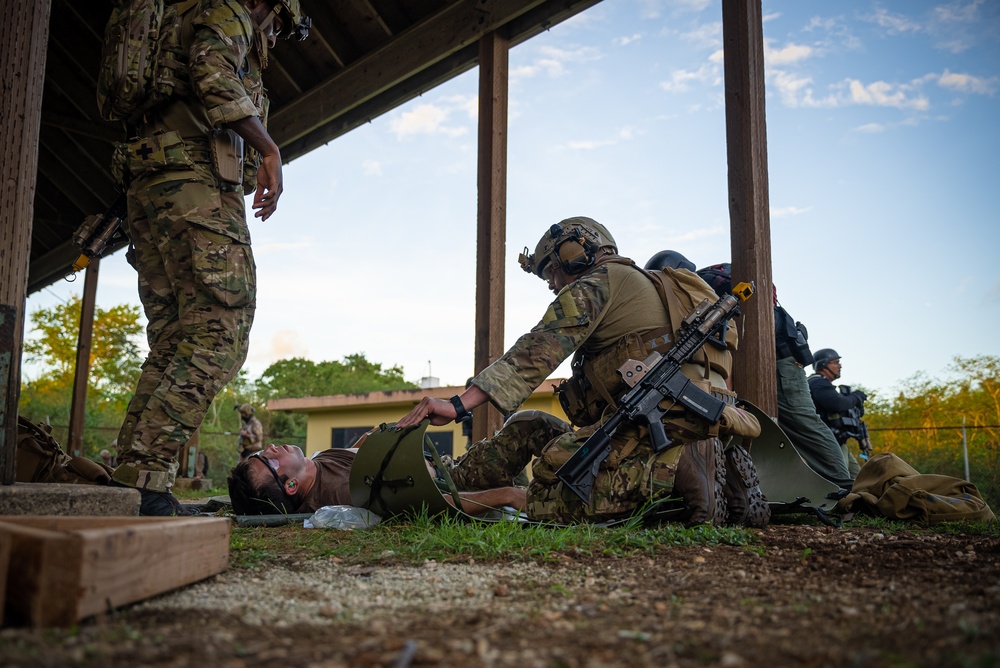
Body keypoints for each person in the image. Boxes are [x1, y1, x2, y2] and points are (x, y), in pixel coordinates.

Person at [396, 219, 766, 527]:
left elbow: (537, 349)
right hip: (689, 415)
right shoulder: (649, 289)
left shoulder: (600, 283)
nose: (553, 286)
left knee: (547, 496)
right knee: (529, 425)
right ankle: (448, 479)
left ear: (574, 255)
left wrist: (459, 405)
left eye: (551, 275)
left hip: (664, 426)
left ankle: (679, 472)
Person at [108, 0, 310, 515]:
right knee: (221, 331)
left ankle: (132, 481)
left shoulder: (172, 13)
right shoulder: (228, 8)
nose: (271, 36)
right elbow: (212, 69)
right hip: (196, 184)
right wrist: (268, 149)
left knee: (175, 337)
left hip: (149, 184)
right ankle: (147, 482)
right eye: (278, 26)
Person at [697, 264, 854, 490]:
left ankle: (842, 485)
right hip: (780, 360)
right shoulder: (716, 282)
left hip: (781, 363)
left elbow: (728, 343)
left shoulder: (707, 286)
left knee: (805, 424)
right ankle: (829, 485)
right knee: (796, 427)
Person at [226, 442, 526, 517]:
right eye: (268, 460)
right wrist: (508, 495)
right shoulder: (343, 496)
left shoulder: (314, 465)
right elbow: (430, 504)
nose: (270, 448)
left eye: (259, 452)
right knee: (529, 424)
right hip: (458, 479)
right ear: (290, 485)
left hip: (449, 464)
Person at [808, 348, 867, 478]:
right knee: (841, 481)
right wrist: (856, 397)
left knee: (858, 479)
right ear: (822, 365)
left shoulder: (822, 384)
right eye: (835, 362)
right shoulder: (818, 382)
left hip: (839, 443)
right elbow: (837, 404)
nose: (839, 366)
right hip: (828, 443)